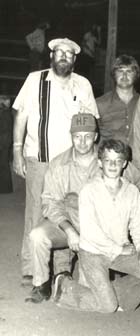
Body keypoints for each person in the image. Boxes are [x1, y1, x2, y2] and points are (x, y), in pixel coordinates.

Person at [12, 37, 99, 286]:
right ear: (51, 56)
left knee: (69, 213)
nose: (63, 57)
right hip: (40, 158)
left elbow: (92, 122)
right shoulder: (34, 79)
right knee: (36, 213)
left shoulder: (82, 84)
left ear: (74, 59)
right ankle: (31, 269)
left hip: (70, 165)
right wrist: (17, 150)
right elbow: (21, 116)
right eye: (59, 52)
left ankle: (62, 270)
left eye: (69, 54)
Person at [51, 139, 140, 313]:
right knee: (107, 307)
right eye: (108, 160)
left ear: (124, 163)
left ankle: (118, 298)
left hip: (120, 251)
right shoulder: (89, 190)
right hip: (93, 252)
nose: (113, 165)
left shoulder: (131, 191)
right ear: (100, 163)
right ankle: (66, 289)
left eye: (118, 161)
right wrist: (117, 249)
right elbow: (90, 232)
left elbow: (139, 224)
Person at [25, 114, 101, 303]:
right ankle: (41, 285)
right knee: (37, 235)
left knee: (90, 291)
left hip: (99, 227)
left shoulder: (108, 160)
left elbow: (134, 188)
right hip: (68, 222)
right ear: (71, 136)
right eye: (77, 136)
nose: (82, 142)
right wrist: (69, 230)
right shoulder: (59, 163)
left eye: (87, 136)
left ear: (96, 137)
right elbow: (50, 203)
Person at [96, 55, 140, 144]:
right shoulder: (99, 104)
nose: (124, 76)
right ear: (114, 74)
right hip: (109, 156)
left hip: (137, 157)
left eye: (129, 71)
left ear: (136, 75)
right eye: (120, 71)